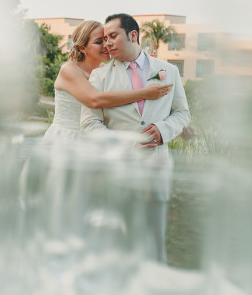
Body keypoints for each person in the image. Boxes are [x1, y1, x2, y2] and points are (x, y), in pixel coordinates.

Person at [80, 13, 191, 263]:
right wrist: (125, 145)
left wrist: (163, 130)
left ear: (133, 35)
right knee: (113, 244)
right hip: (114, 171)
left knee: (153, 243)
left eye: (113, 36)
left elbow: (183, 113)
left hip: (156, 170)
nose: (107, 43)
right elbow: (89, 124)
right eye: (104, 38)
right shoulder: (99, 76)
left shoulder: (169, 71)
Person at [43, 20, 172, 143]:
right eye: (99, 42)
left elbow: (125, 103)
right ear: (82, 48)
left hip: (96, 140)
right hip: (66, 139)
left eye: (106, 39)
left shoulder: (106, 72)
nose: (107, 45)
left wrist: (168, 121)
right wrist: (144, 93)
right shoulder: (69, 70)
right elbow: (94, 100)